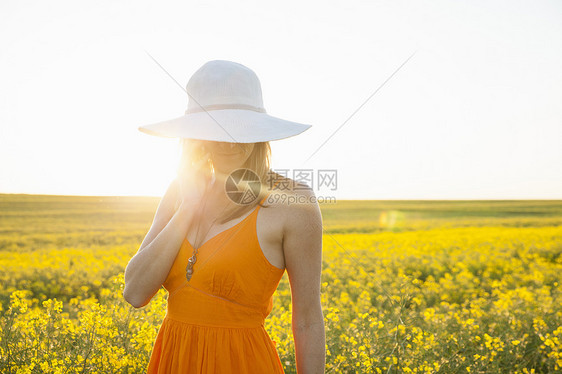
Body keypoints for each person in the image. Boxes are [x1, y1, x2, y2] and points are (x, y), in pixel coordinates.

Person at [123, 60, 325, 373]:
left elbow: (308, 320)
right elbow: (135, 292)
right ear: (196, 136)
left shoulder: (293, 201)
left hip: (242, 362)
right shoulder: (179, 191)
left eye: (240, 129)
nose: (229, 141)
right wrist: (188, 207)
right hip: (173, 361)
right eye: (215, 129)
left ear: (259, 133)